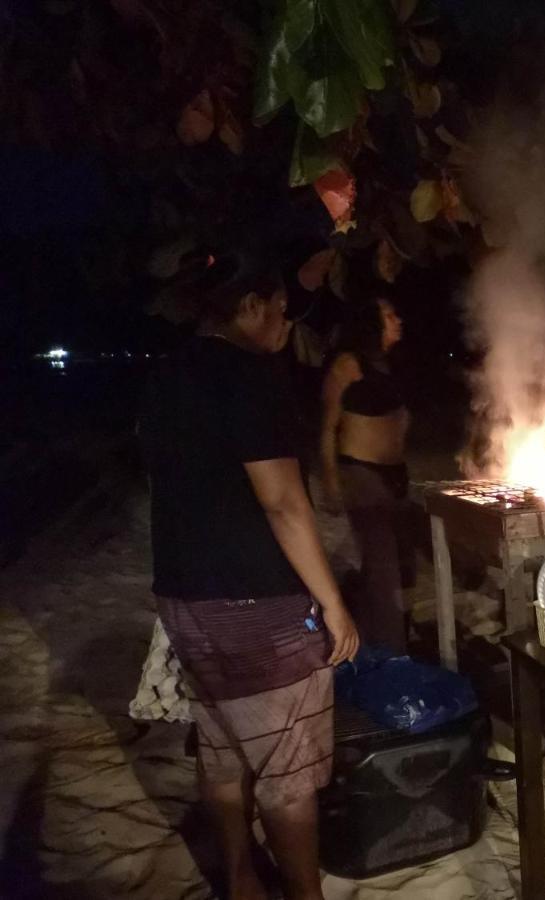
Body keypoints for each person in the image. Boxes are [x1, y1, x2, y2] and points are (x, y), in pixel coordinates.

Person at [140, 258, 359, 900]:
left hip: (182, 597)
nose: (287, 321)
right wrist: (332, 602)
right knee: (288, 769)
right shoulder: (249, 376)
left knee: (223, 742)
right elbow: (283, 503)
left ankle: (239, 880)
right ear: (250, 307)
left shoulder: (164, 374)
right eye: (281, 307)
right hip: (256, 604)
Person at [319, 294, 413, 652]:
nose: (397, 320)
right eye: (389, 315)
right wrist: (330, 481)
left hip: (394, 475)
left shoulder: (389, 364)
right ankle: (393, 655)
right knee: (384, 564)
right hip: (360, 474)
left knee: (394, 566)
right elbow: (328, 426)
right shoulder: (348, 364)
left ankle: (365, 625)